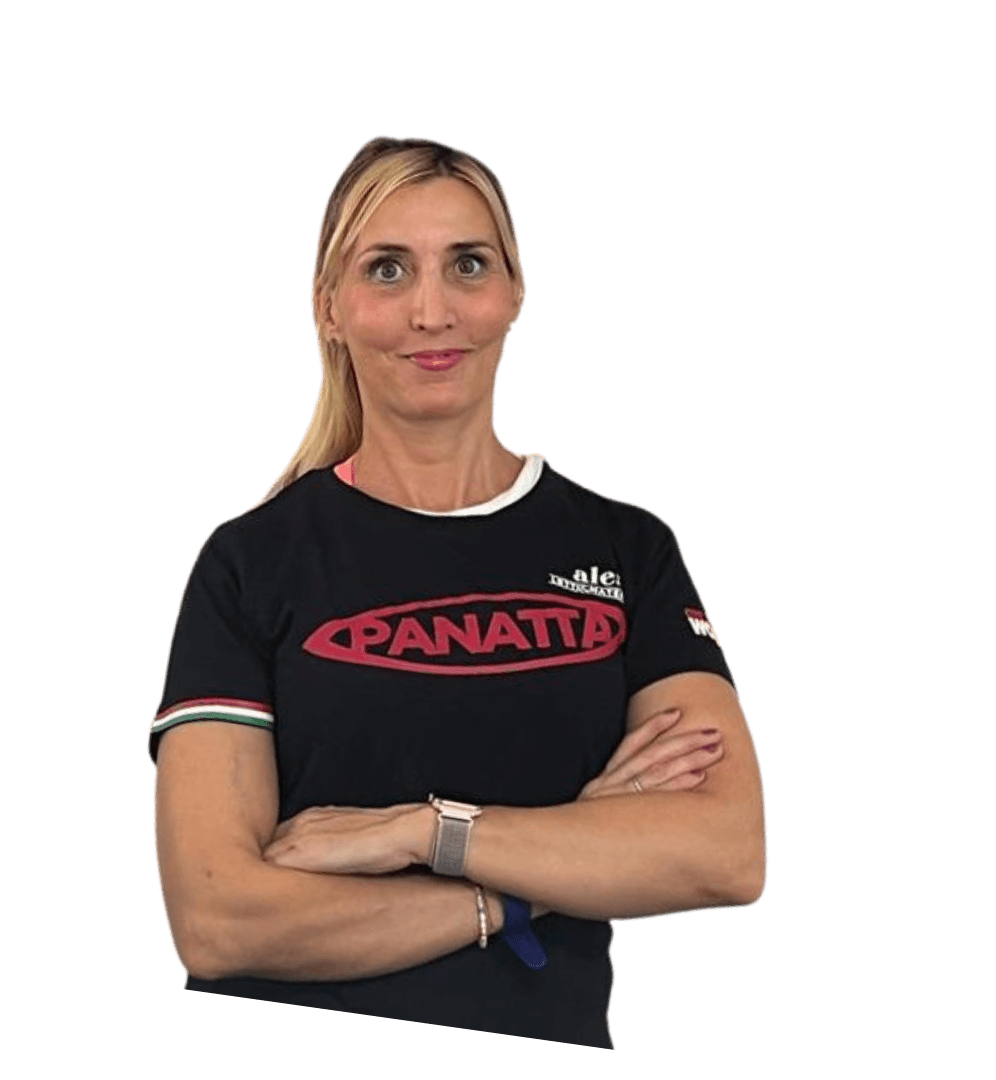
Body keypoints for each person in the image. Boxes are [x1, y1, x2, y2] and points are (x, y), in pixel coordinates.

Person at [148, 135, 768, 1051]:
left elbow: (725, 853)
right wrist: (534, 878)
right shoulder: (250, 561)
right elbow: (219, 921)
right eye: (387, 269)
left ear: (515, 292)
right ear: (328, 307)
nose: (431, 311)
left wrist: (419, 831)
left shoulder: (628, 549)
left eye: (468, 264)